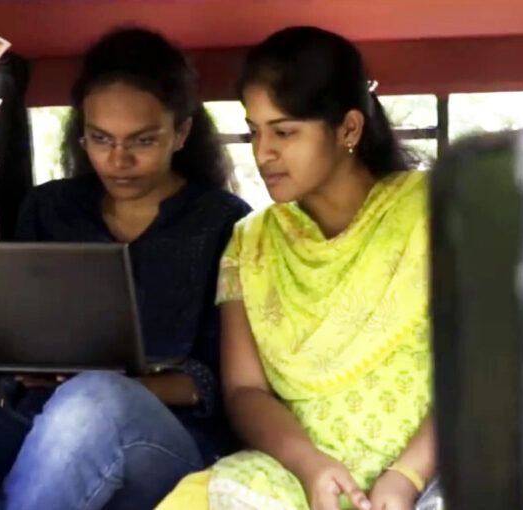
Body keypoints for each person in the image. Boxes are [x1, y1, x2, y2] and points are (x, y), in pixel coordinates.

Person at [0, 27, 250, 510]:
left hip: (166, 446)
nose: (118, 160)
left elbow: (219, 383)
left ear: (181, 133)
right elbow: (13, 349)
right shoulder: (50, 207)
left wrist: (110, 385)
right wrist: (8, 357)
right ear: (81, 133)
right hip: (39, 432)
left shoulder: (225, 222)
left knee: (94, 398)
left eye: (142, 141)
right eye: (100, 139)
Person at [156, 26, 435, 510]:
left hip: (433, 467)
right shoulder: (251, 242)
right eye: (254, 131)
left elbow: (485, 373)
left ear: (348, 128)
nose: (263, 152)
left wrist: (406, 477)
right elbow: (244, 390)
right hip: (299, 471)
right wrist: (309, 464)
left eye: (284, 131)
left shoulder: (435, 214)